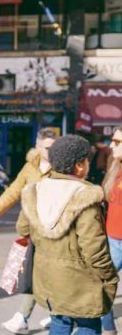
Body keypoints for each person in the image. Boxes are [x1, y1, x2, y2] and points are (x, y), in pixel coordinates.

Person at [16, 135, 118, 335]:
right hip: (82, 284)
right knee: (88, 326)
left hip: (49, 279)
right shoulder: (85, 197)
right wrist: (110, 278)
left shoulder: (35, 190)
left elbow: (23, 228)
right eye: (87, 160)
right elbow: (94, 249)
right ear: (80, 166)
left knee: (59, 323)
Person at [0, 128, 58, 334]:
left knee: (40, 275)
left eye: (53, 147)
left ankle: (25, 317)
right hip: (31, 231)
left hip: (52, 231)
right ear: (37, 145)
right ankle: (52, 314)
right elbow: (13, 191)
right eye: (46, 148)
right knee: (34, 275)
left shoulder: (61, 167)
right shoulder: (30, 167)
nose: (50, 152)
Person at [101, 126, 122, 335]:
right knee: (103, 284)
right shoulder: (115, 167)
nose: (111, 145)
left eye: (117, 142)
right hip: (113, 238)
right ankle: (108, 328)